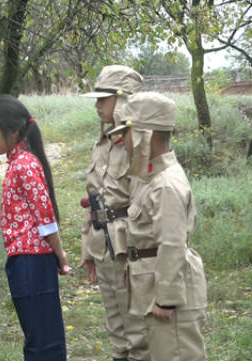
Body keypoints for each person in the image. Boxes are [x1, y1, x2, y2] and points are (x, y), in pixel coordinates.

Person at [107, 92, 208, 361]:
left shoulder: (165, 185)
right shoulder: (149, 179)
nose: (124, 143)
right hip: (149, 288)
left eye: (127, 134)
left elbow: (172, 243)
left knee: (175, 354)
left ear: (143, 135)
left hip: (166, 296)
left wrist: (166, 299)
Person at [0, 94, 72, 361]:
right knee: (38, 338)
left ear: (12, 131)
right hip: (24, 261)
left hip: (32, 263)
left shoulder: (24, 164)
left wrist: (60, 255)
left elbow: (45, 218)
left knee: (44, 341)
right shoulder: (17, 163)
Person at [79, 65, 150, 361]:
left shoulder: (138, 144)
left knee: (138, 334)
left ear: (122, 101)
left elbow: (148, 204)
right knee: (116, 331)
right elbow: (94, 198)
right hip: (103, 247)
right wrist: (88, 249)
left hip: (129, 249)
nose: (97, 105)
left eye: (103, 99)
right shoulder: (103, 142)